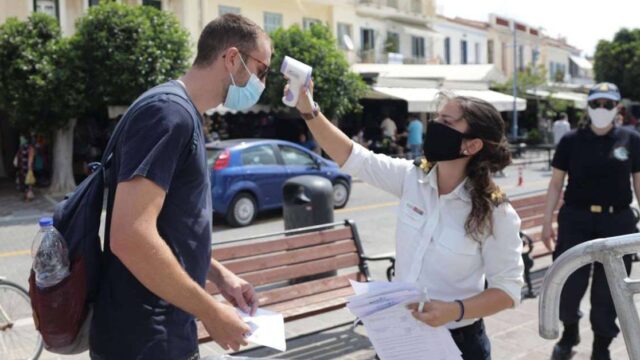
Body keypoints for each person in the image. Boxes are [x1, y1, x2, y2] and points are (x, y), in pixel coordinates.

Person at [290, 81, 524, 359]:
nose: (434, 125)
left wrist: (455, 309)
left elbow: (508, 290)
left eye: (446, 121)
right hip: (401, 336)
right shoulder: (413, 178)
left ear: (472, 145)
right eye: (437, 118)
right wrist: (309, 111)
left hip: (456, 344)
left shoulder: (495, 211)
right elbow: (352, 156)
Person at [90, 14, 272, 360]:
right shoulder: (168, 114)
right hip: (145, 339)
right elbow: (130, 236)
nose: (262, 83)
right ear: (232, 58)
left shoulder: (177, 110)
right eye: (261, 70)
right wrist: (210, 311)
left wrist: (219, 276)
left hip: (155, 333)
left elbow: (169, 231)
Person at [542, 82, 639, 360]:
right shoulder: (571, 140)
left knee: (610, 292)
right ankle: (569, 332)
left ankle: (601, 347)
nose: (601, 109)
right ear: (588, 106)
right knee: (568, 285)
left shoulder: (630, 139)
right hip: (576, 220)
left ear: (617, 107)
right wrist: (547, 221)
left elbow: (639, 183)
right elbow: (555, 184)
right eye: (596, 103)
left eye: (608, 104)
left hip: (617, 222)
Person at [13, 135, 35, 201]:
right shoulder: (30, 148)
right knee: (28, 183)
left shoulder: (21, 148)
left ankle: (27, 196)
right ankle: (28, 196)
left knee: (25, 182)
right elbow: (31, 158)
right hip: (27, 168)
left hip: (22, 169)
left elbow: (18, 158)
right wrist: (30, 167)